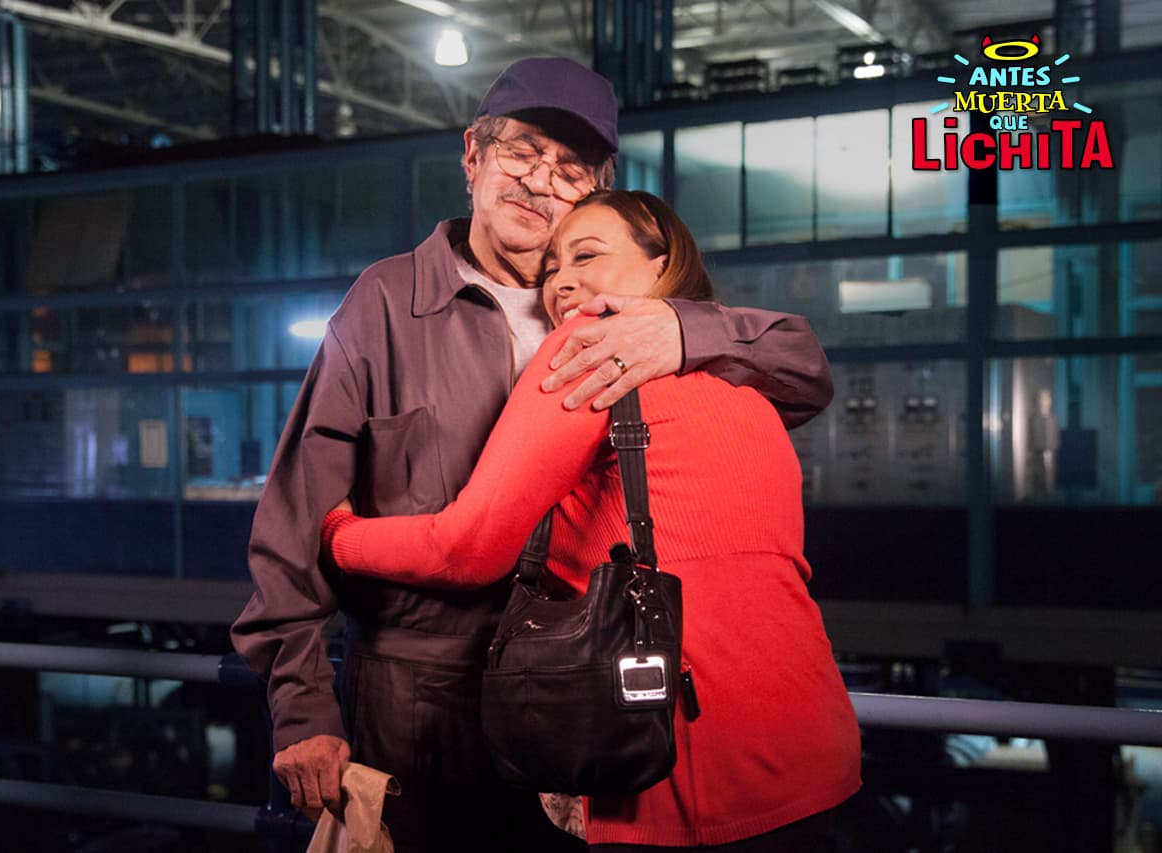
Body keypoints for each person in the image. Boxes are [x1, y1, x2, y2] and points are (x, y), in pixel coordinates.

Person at [230, 57, 835, 853]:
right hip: (420, 713)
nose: (540, 181)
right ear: (473, 156)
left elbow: (803, 367)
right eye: (521, 152)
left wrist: (681, 329)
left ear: (596, 192)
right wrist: (303, 709)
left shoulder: (619, 312)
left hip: (581, 705)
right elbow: (295, 522)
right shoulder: (384, 305)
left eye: (570, 168)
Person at [320, 190, 861, 851]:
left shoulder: (589, 345)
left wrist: (338, 535)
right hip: (815, 748)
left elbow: (470, 547)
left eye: (587, 255)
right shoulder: (751, 379)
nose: (563, 281)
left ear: (661, 264)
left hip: (680, 763)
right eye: (551, 268)